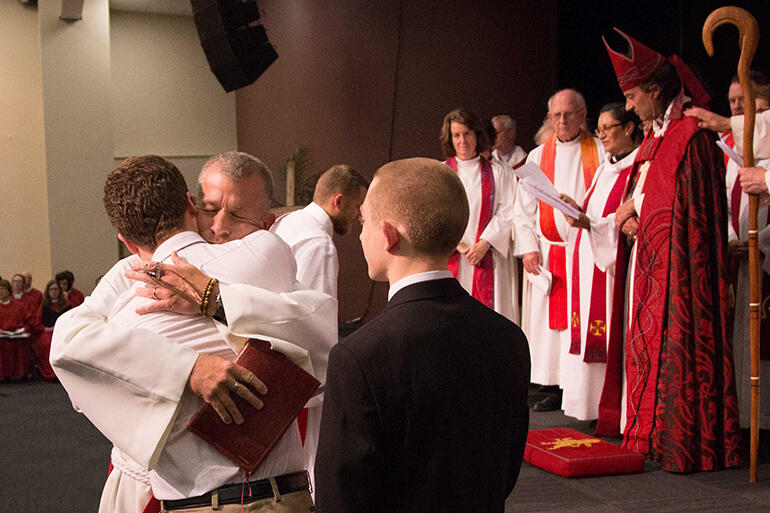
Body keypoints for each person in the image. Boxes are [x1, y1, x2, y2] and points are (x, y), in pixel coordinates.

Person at [51, 154, 337, 513]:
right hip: (282, 497)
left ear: (124, 240)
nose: (219, 226)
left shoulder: (124, 313)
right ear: (190, 203)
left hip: (189, 501)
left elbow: (67, 343)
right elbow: (322, 331)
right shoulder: (266, 253)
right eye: (212, 209)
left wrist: (192, 343)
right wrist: (200, 344)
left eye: (235, 214)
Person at [315, 157, 530, 513]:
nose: (361, 232)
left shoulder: (359, 356)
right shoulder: (509, 338)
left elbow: (342, 497)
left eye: (365, 221)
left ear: (388, 235)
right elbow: (504, 472)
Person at [598, 28, 740, 472]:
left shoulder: (691, 137)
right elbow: (650, 194)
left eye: (634, 96)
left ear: (656, 90)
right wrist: (632, 211)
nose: (628, 106)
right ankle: (649, 430)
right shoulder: (656, 138)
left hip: (680, 271)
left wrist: (640, 212)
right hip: (652, 262)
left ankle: (683, 435)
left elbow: (691, 211)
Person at [513, 89, 604, 412]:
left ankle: (577, 385)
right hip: (549, 253)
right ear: (549, 118)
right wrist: (528, 249)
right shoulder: (538, 157)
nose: (563, 121)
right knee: (550, 330)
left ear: (583, 115)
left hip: (587, 251)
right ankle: (551, 384)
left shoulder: (601, 152)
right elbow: (522, 210)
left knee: (580, 322)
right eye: (557, 115)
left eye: (569, 114)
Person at [559, 103, 641, 421]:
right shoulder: (606, 167)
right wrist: (577, 210)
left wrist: (589, 223)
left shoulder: (639, 167)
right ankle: (589, 407)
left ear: (629, 128)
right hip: (589, 259)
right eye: (600, 129)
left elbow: (624, 220)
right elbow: (597, 213)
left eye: (608, 128)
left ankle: (614, 410)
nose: (601, 135)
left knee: (613, 332)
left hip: (614, 268)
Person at [439, 108, 518, 324]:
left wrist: (484, 243)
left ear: (477, 135)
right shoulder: (441, 173)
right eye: (456, 135)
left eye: (467, 133)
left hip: (489, 256)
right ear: (450, 138)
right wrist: (459, 245)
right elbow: (436, 213)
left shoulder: (499, 173)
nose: (462, 140)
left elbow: (508, 209)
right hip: (455, 257)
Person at [271, 164, 368, 298]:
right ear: (338, 201)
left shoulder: (283, 221)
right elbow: (316, 314)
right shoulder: (320, 244)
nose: (359, 215)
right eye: (357, 207)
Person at [35, 280, 71, 380]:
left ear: (60, 291)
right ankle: (50, 373)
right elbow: (37, 324)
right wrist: (46, 328)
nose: (54, 292)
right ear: (47, 291)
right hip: (48, 332)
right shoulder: (43, 306)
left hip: (63, 332)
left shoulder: (66, 305)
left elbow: (71, 321)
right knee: (46, 343)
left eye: (56, 289)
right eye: (51, 290)